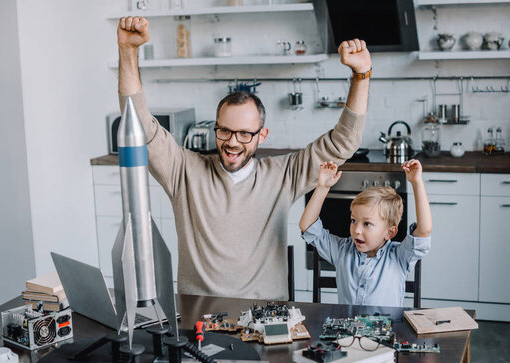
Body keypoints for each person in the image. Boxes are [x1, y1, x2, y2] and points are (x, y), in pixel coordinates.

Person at [117, 16, 372, 300]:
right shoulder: (184, 171)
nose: (232, 142)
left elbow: (344, 141)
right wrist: (128, 51)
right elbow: (139, 125)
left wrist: (362, 76)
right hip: (198, 315)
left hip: (265, 317)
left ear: (262, 136)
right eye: (224, 131)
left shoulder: (283, 175)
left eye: (244, 134)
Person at [299, 160, 432, 306]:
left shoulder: (398, 257)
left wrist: (416, 182)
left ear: (390, 232)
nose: (356, 230)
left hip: (387, 328)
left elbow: (424, 230)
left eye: (367, 224)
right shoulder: (342, 251)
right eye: (353, 220)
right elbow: (308, 226)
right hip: (347, 328)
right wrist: (322, 187)